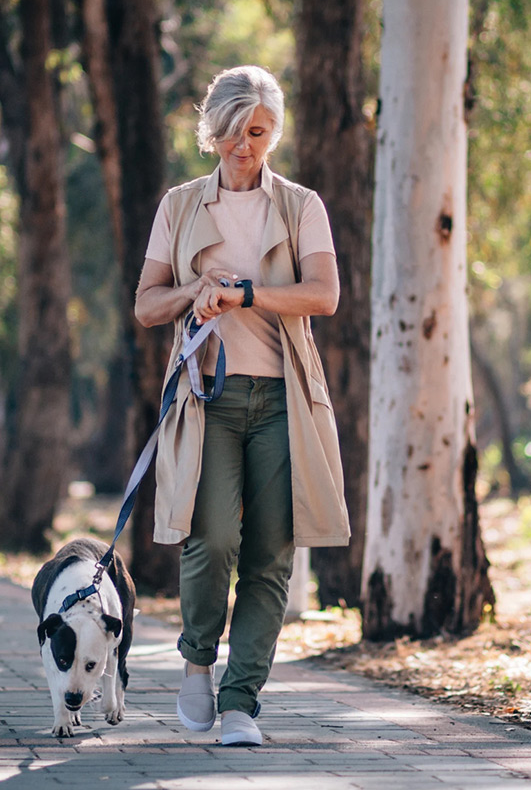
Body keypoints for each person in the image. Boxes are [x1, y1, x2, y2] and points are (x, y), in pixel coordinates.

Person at [135, 65, 349, 746]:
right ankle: (198, 660)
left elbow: (323, 294)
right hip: (210, 397)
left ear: (273, 133)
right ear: (211, 132)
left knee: (270, 553)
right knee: (212, 539)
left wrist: (248, 294)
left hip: (286, 399)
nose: (244, 146)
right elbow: (146, 305)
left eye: (257, 132)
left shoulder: (300, 206)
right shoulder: (179, 206)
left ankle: (240, 705)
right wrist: (197, 286)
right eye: (231, 132)